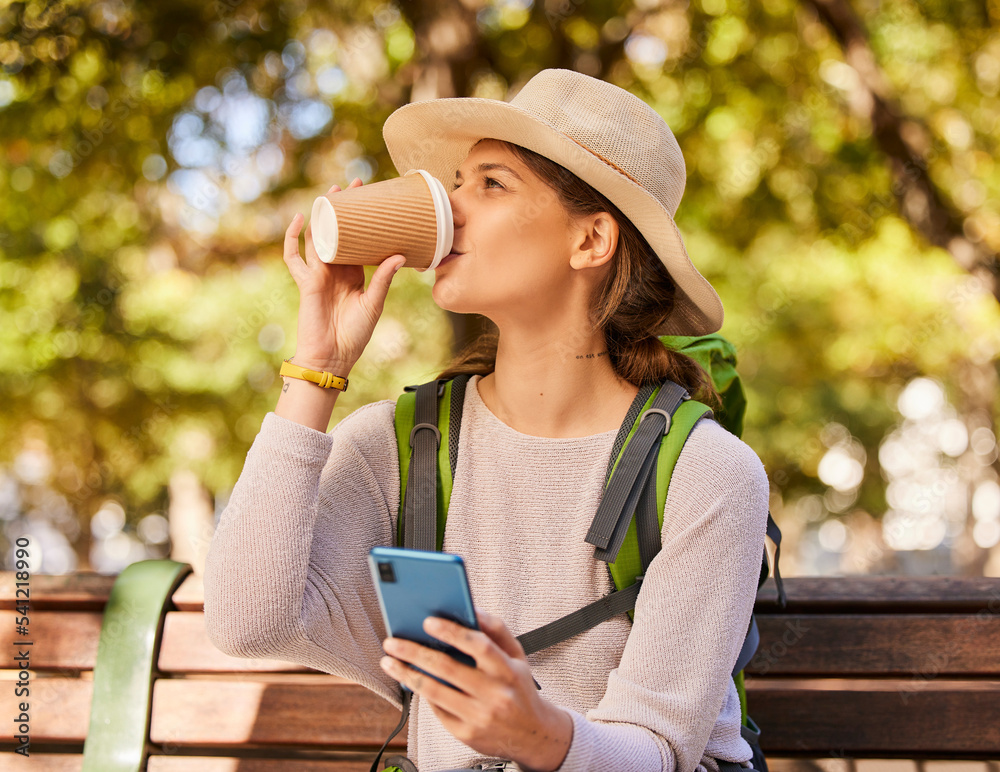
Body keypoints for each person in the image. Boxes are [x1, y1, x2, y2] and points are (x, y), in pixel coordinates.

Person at [204, 68, 769, 772]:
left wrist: (540, 736)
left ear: (592, 241)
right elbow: (245, 622)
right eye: (456, 181)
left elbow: (661, 751)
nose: (448, 205)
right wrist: (317, 365)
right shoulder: (404, 446)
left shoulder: (704, 472)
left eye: (490, 183)